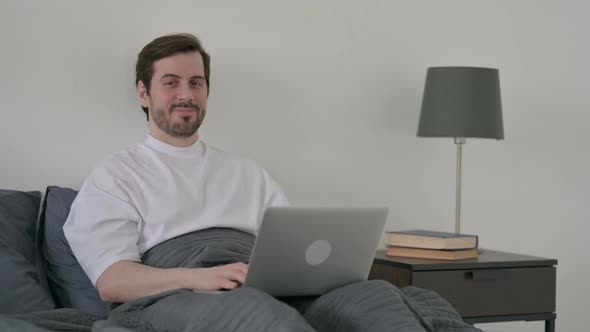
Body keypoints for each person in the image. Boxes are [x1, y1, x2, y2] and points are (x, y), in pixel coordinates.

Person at [64, 33, 480, 332]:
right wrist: (195, 278)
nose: (185, 94)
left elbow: (295, 252)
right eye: (170, 83)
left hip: (257, 280)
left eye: (196, 82)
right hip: (173, 293)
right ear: (143, 93)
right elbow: (112, 282)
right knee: (262, 319)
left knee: (373, 299)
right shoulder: (115, 176)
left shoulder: (247, 172)